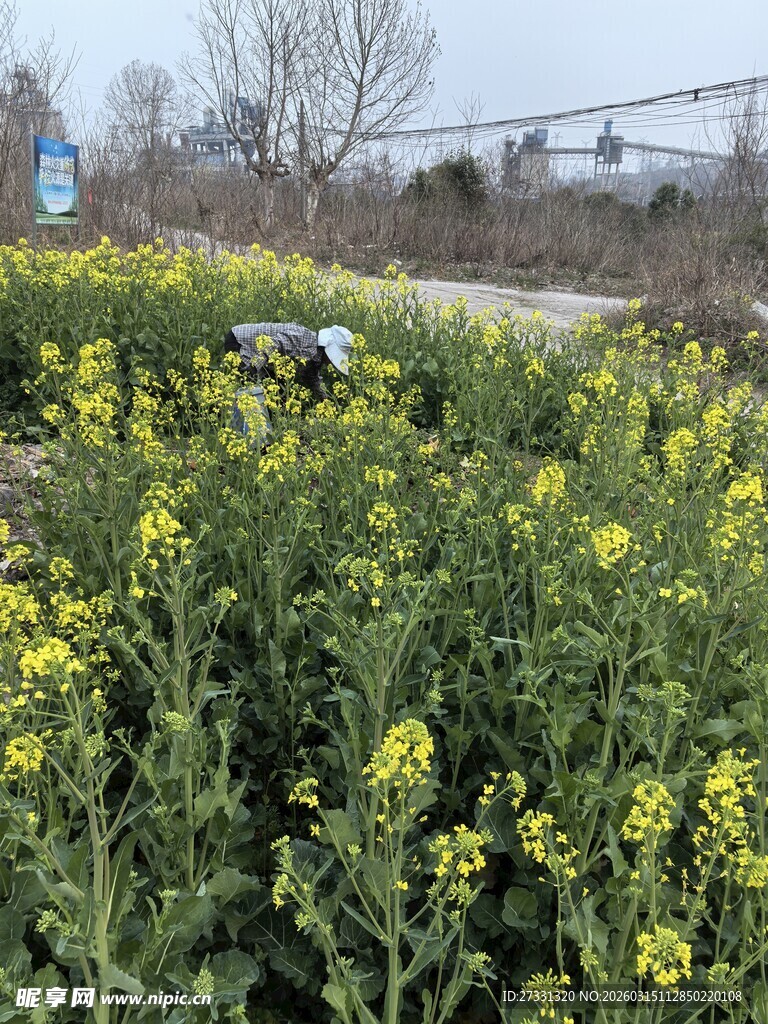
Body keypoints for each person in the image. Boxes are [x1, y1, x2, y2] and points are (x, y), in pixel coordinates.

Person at [224, 322, 353, 441]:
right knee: (250, 393)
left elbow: (312, 377)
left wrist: (325, 401)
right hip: (242, 342)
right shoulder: (304, 337)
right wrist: (254, 367)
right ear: (327, 347)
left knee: (276, 395)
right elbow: (274, 343)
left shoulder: (316, 355)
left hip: (264, 357)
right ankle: (248, 439)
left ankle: (268, 436)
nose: (331, 362)